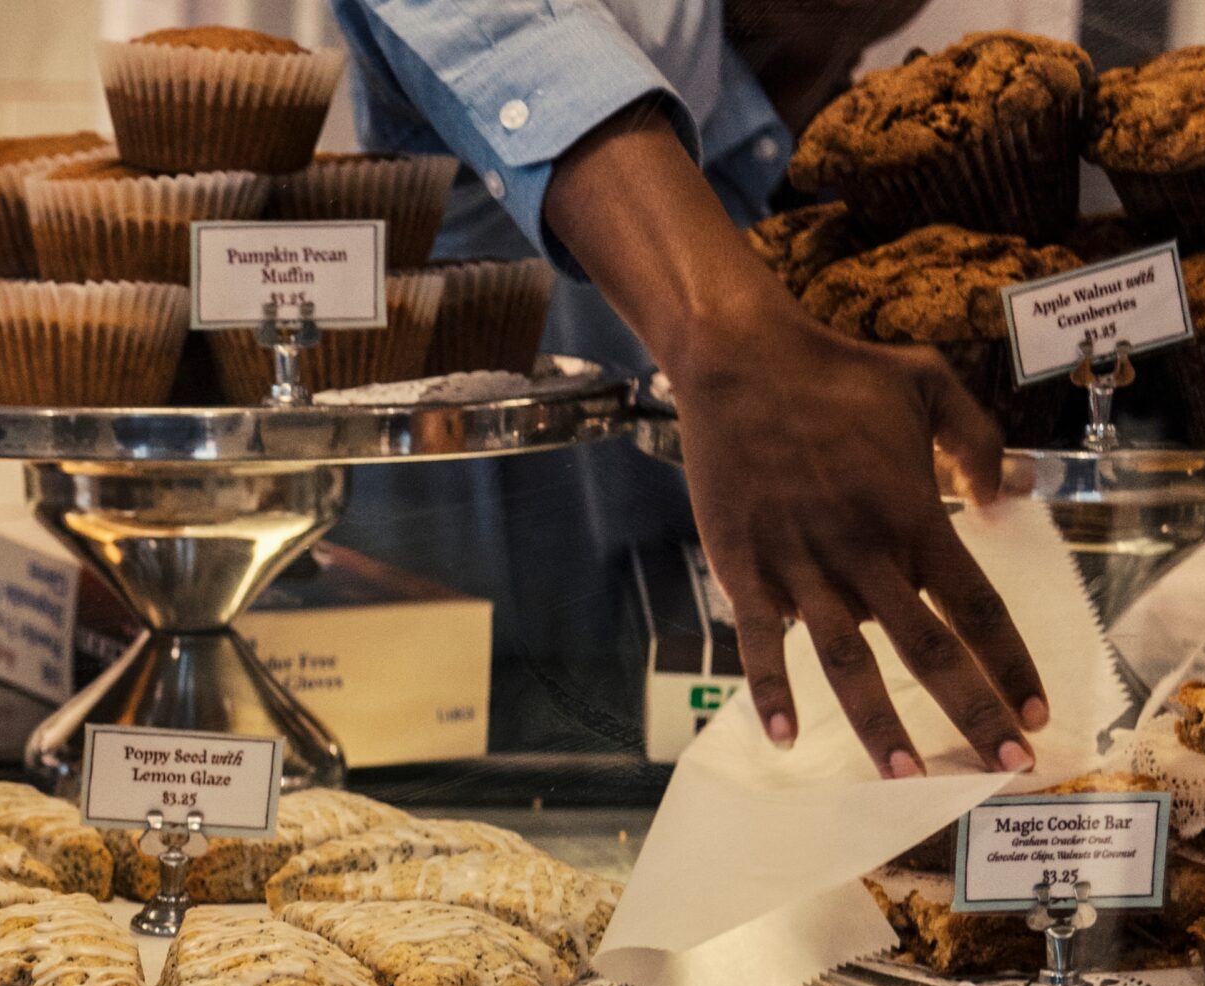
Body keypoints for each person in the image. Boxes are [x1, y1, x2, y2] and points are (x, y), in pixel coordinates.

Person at [325, 0, 1049, 778]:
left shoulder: (893, 136)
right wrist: (732, 339)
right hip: (460, 739)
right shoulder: (614, 28)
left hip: (764, 773)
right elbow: (502, 27)